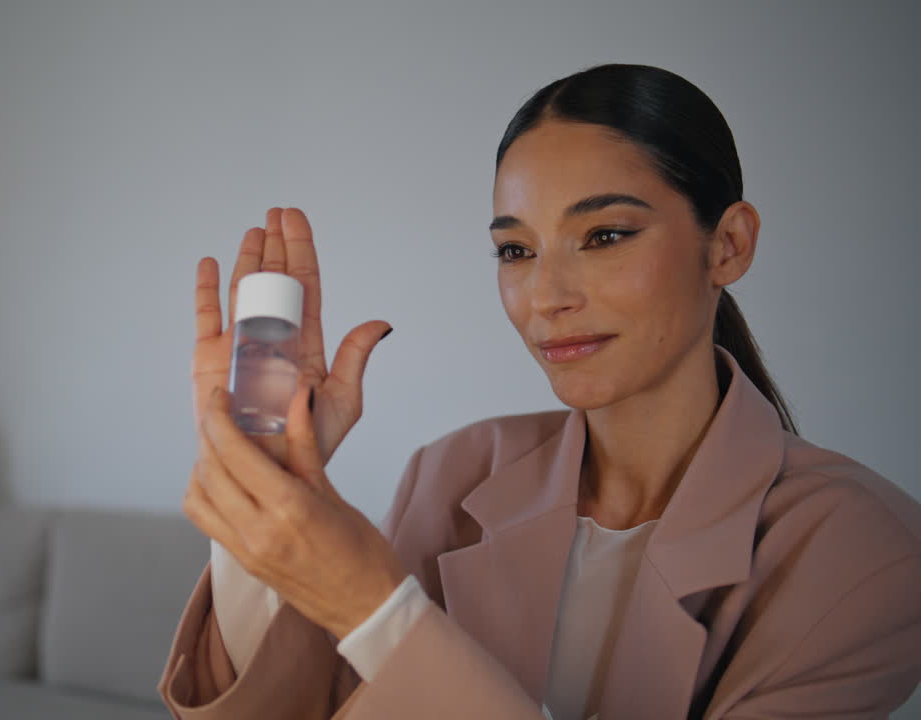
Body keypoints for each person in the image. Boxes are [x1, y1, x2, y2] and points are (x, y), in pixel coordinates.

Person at [157, 63, 921, 719]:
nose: (546, 296)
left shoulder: (865, 548)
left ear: (728, 244)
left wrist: (381, 613)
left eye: (606, 236)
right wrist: (264, 482)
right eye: (516, 250)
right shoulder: (454, 474)